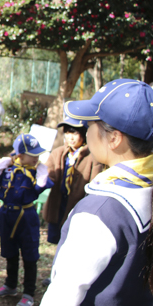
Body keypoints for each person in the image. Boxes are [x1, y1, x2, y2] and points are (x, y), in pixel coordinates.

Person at [39, 79, 153, 306]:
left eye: (90, 124)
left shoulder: (99, 212)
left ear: (114, 138)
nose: (86, 130)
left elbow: (61, 300)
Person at [0, 134, 52, 306]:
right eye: (33, 155)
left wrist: (41, 169)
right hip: (7, 215)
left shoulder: (36, 171)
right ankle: (10, 285)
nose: (36, 158)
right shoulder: (9, 170)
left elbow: (41, 185)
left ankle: (29, 293)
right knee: (10, 251)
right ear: (19, 155)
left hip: (26, 217)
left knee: (30, 254)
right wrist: (6, 161)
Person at [40, 115, 103, 285]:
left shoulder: (92, 156)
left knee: (73, 243)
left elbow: (95, 182)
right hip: (58, 204)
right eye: (67, 132)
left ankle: (65, 276)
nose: (70, 137)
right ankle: (55, 274)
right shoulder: (59, 152)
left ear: (84, 134)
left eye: (74, 133)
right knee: (59, 240)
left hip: (77, 207)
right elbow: (49, 173)